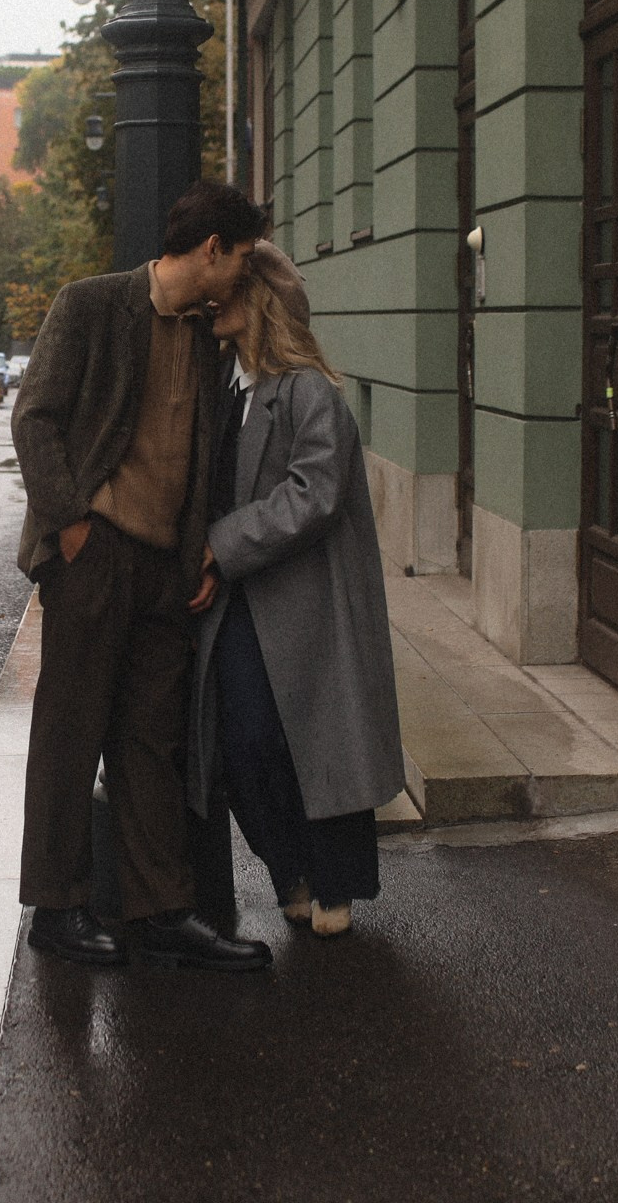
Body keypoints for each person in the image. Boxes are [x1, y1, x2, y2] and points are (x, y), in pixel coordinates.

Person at [10, 181, 274, 972]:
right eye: (243, 258)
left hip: (165, 568)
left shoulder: (206, 334)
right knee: (71, 729)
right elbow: (36, 417)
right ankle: (56, 909)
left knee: (151, 742)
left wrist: (195, 550)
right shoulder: (92, 305)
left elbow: (193, 455)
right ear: (210, 250)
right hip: (95, 556)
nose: (246, 275)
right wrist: (73, 526)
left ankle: (160, 909)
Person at [188, 244, 404, 937]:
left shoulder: (309, 390)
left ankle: (334, 884)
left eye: (230, 292)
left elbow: (316, 494)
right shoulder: (228, 389)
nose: (214, 301)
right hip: (244, 605)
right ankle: (291, 871)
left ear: (262, 303)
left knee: (317, 744)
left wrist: (221, 544)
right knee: (245, 744)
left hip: (307, 608)